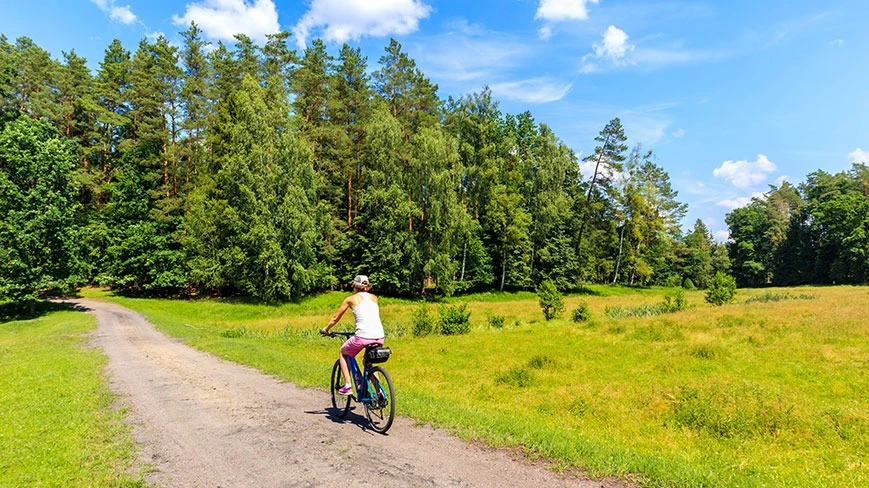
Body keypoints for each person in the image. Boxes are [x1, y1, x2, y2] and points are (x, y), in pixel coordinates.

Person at [320, 275, 385, 395]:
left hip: (363, 337)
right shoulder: (374, 298)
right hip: (379, 336)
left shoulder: (350, 299)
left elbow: (335, 318)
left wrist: (326, 329)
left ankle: (348, 385)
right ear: (367, 286)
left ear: (355, 286)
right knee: (368, 362)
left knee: (343, 352)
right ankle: (379, 391)